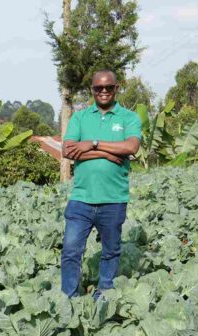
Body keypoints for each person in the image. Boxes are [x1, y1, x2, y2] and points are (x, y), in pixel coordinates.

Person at [60, 69, 142, 299]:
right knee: (70, 250)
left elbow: (131, 147)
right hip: (81, 198)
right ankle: (69, 296)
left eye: (108, 87)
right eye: (98, 88)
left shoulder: (128, 118)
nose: (103, 91)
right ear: (92, 90)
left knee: (111, 251)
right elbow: (68, 150)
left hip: (114, 198)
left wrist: (91, 144)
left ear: (116, 88)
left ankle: (104, 293)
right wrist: (106, 153)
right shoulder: (80, 117)